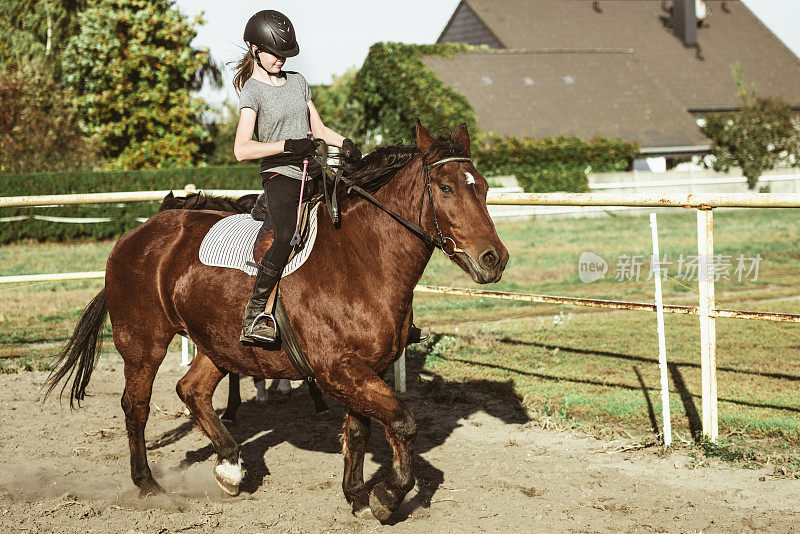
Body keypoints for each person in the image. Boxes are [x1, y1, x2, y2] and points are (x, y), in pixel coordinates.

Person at [232, 9, 361, 343]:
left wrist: (344, 142)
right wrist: (287, 146)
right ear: (255, 50)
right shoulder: (252, 92)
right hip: (279, 175)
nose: (281, 60)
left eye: (286, 54)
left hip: (311, 170)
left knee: (353, 209)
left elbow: (317, 128)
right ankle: (256, 313)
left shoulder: (299, 82)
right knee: (287, 232)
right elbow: (242, 149)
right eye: (276, 53)